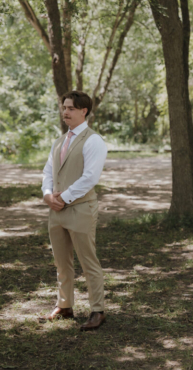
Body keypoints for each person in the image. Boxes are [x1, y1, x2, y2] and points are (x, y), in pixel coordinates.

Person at [41, 91, 108, 330]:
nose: (65, 112)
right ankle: (65, 305)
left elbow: (90, 177)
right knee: (61, 262)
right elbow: (48, 171)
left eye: (71, 108)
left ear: (84, 111)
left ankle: (97, 310)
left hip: (80, 209)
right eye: (64, 107)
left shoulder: (94, 140)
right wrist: (48, 195)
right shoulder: (59, 141)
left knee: (88, 261)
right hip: (56, 210)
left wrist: (64, 198)